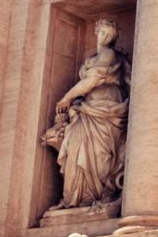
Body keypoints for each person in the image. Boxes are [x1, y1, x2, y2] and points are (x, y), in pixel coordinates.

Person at [44, 17, 128, 207]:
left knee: (100, 153)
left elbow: (91, 82)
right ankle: (75, 197)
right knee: (75, 145)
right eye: (103, 32)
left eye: (110, 35)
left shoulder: (109, 55)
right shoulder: (91, 59)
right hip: (88, 107)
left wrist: (67, 97)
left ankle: (96, 194)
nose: (105, 37)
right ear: (96, 32)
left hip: (106, 106)